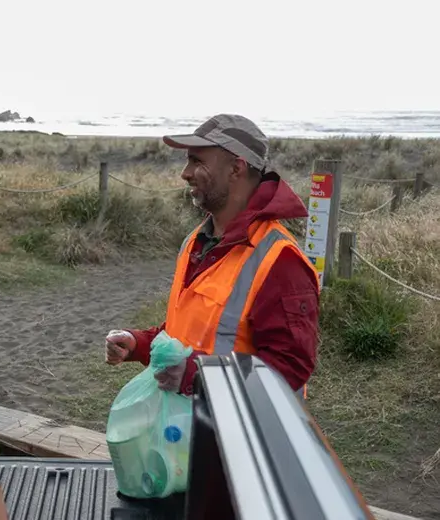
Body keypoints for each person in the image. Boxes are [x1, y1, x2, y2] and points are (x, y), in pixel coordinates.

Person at [104, 114, 319, 398]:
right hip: (188, 429)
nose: (185, 173)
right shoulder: (196, 241)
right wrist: (140, 342)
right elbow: (188, 332)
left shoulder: (280, 260)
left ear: (236, 168)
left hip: (241, 436)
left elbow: (288, 369)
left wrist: (197, 376)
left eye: (197, 161)